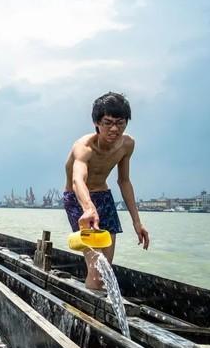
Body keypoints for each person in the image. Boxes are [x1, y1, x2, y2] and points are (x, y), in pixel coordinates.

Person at [63, 92, 150, 290]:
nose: (114, 129)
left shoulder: (127, 145)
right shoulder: (84, 147)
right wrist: (88, 208)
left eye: (120, 123)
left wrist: (137, 221)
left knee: (105, 270)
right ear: (96, 123)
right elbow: (78, 180)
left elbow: (124, 181)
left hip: (103, 197)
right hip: (78, 199)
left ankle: (98, 300)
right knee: (97, 273)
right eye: (107, 123)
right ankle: (89, 314)